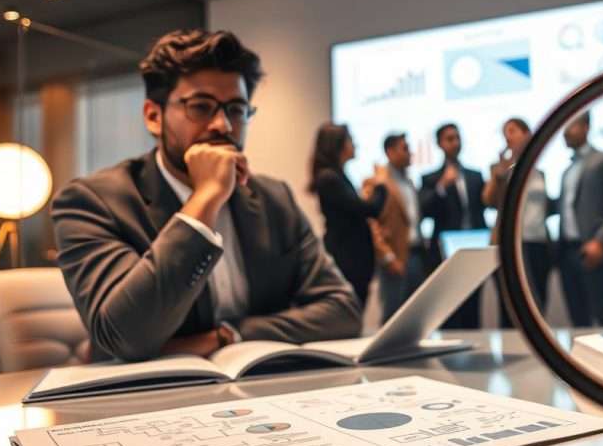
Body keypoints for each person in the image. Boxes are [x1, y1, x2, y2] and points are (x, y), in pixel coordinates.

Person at [52, 29, 361, 362]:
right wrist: (206, 198)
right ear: (153, 117)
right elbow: (125, 336)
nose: (223, 126)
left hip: (259, 394)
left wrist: (232, 336)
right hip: (146, 399)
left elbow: (342, 311)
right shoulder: (92, 202)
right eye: (200, 107)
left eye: (236, 110)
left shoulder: (274, 198)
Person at [557, 112, 603, 327]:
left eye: (570, 126)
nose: (565, 132)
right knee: (578, 318)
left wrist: (600, 240)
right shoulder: (567, 169)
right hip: (567, 251)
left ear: (586, 127)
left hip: (593, 248)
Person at [481, 117, 553, 326]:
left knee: (539, 304)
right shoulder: (500, 169)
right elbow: (489, 200)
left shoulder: (539, 172)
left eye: (512, 131)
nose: (507, 137)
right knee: (510, 308)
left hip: (538, 244)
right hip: (511, 246)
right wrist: (500, 175)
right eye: (505, 133)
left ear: (527, 134)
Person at [309, 124, 389, 307]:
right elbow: (370, 210)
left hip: (353, 258)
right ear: (338, 145)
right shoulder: (329, 178)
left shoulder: (336, 176)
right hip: (348, 259)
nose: (355, 145)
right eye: (350, 140)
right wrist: (381, 184)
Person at [420, 123, 487, 329]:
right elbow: (424, 210)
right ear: (440, 144)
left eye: (457, 138)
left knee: (474, 305)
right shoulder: (430, 178)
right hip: (445, 250)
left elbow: (483, 206)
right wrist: (441, 186)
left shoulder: (475, 176)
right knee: (448, 307)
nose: (455, 143)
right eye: (449, 139)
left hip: (474, 247)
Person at [369, 133, 425, 322]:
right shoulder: (378, 182)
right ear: (390, 152)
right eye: (404, 148)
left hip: (415, 253)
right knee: (392, 314)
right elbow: (372, 223)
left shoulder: (409, 182)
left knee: (415, 314)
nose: (410, 153)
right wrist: (387, 256)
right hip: (394, 257)